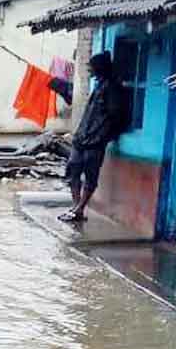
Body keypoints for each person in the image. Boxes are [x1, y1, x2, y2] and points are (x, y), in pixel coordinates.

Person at [60, 51, 133, 225]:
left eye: (91, 67)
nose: (89, 70)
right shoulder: (99, 86)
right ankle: (76, 207)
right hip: (82, 138)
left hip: (95, 141)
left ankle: (79, 208)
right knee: (73, 172)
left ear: (99, 68)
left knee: (90, 177)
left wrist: (105, 136)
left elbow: (117, 117)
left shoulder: (114, 89)